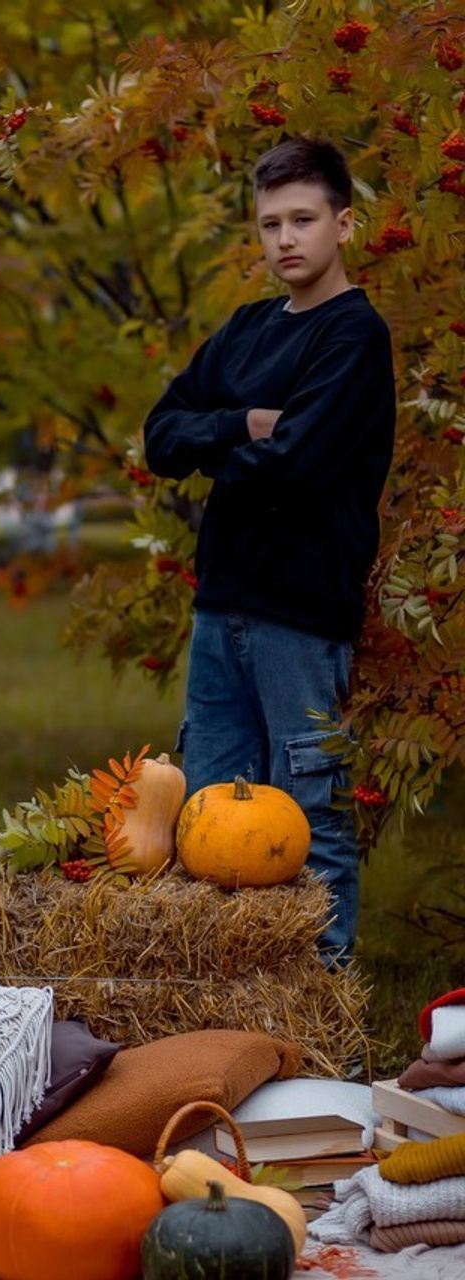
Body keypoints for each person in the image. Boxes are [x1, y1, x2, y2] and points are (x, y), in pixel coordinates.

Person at [143, 136, 396, 963]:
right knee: (209, 816)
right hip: (222, 607)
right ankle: (226, 1010)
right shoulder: (247, 329)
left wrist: (224, 447)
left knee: (310, 813)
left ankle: (323, 1018)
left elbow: (296, 466)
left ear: (345, 224)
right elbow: (160, 435)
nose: (285, 239)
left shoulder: (353, 337)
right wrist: (241, 426)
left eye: (303, 220)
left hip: (301, 615)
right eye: (269, 224)